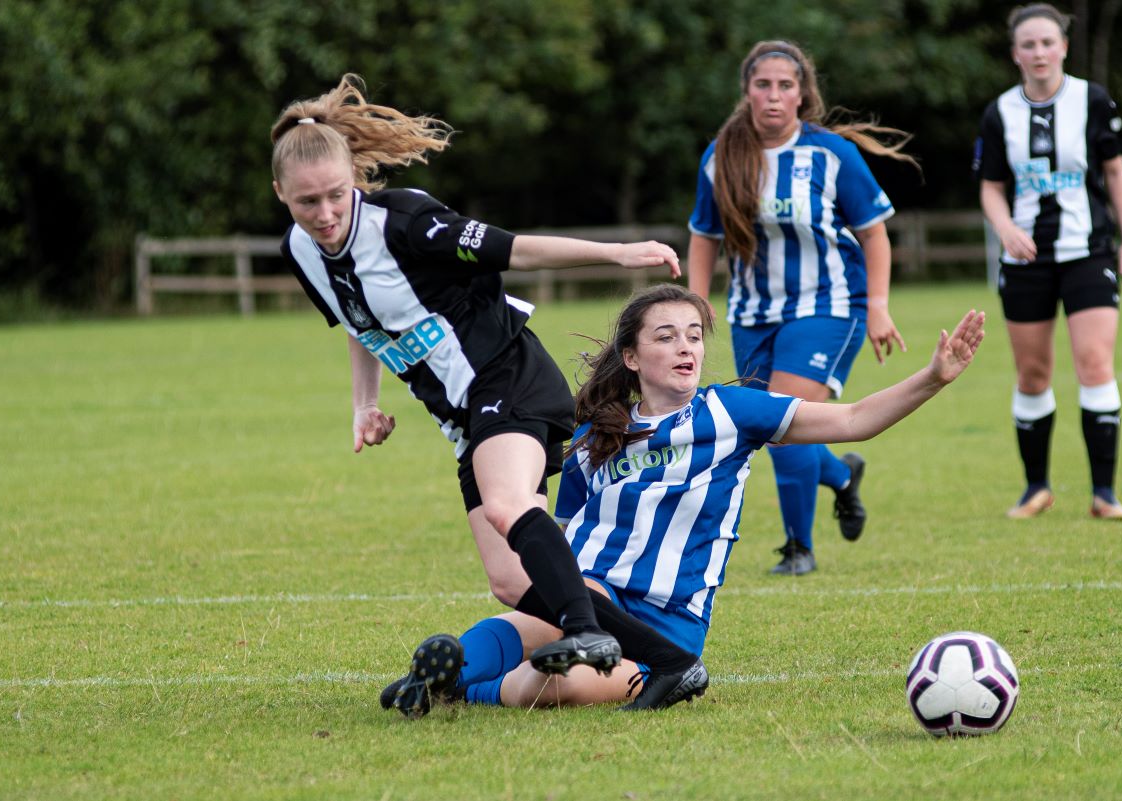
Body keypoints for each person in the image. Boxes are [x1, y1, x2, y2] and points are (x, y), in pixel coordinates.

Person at [381, 284, 985, 716]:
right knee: (541, 616)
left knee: (546, 689)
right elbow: (558, 537)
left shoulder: (731, 411)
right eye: (665, 337)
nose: (684, 347)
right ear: (632, 357)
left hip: (669, 624)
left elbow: (853, 419)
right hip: (590, 597)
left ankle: (464, 686)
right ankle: (449, 666)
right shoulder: (594, 436)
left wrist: (932, 377)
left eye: (693, 336)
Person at [271, 74, 692, 687]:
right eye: (308, 202)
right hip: (466, 416)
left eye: (336, 195)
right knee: (512, 581)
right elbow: (358, 324)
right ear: (281, 192)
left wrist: (617, 253)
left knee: (506, 504)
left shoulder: (407, 223)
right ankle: (673, 662)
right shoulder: (301, 252)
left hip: (510, 376)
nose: (326, 213)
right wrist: (366, 403)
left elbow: (516, 249)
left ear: (353, 180)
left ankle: (586, 632)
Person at [687, 40, 920, 576]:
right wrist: (696, 303)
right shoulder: (721, 155)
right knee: (769, 427)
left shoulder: (832, 154)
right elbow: (703, 235)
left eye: (785, 85)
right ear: (747, 92)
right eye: (762, 85)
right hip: (751, 312)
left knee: (786, 419)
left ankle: (799, 549)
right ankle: (840, 477)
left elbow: (875, 234)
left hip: (830, 306)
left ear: (802, 94)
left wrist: (879, 306)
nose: (773, 95)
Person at [975, 4, 1122, 520]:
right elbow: (991, 187)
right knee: (1032, 374)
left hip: (1088, 253)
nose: (1039, 52)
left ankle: (1104, 494)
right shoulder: (1000, 112)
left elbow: (1115, 172)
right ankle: (1036, 488)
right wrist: (1005, 229)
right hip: (1027, 262)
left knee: (1094, 364)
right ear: (1015, 54)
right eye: (1029, 44)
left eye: (1048, 42)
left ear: (1063, 47)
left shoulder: (1091, 100)